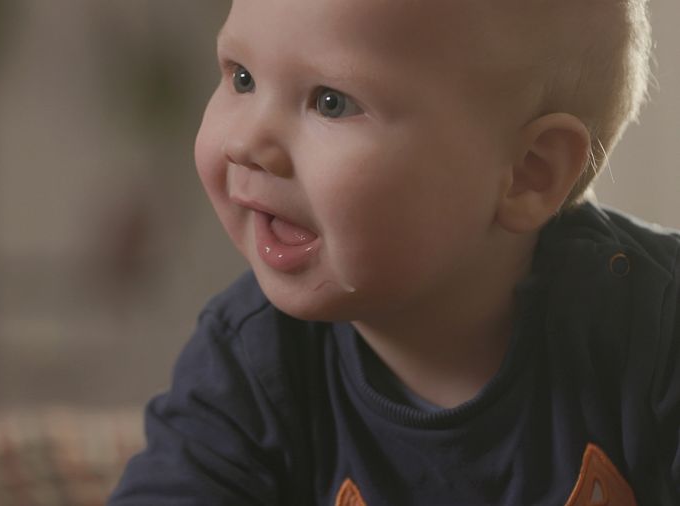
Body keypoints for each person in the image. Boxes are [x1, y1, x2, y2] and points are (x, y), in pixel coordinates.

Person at [109, 0, 679, 504]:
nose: (246, 143)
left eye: (331, 102)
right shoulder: (252, 366)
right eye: (241, 77)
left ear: (528, 172)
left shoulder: (656, 335)